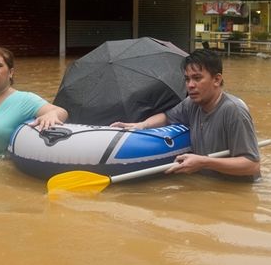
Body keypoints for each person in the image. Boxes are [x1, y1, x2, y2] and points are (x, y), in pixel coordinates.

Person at [112, 49, 261, 179]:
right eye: (187, 79)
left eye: (197, 78)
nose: (190, 85)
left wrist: (204, 162)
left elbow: (251, 165)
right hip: (206, 186)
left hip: (234, 192)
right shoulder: (191, 104)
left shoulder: (233, 111)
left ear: (216, 79)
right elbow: (166, 117)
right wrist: (141, 125)